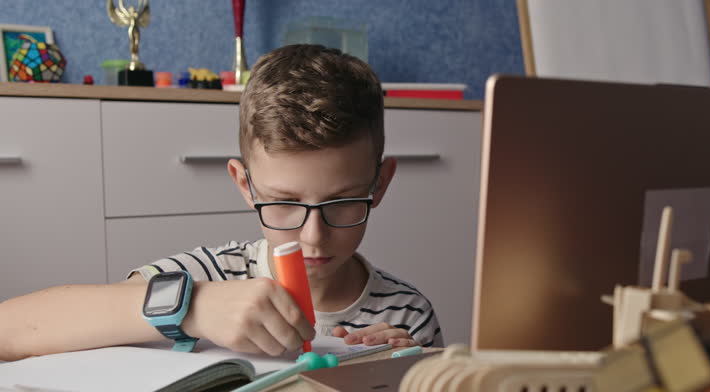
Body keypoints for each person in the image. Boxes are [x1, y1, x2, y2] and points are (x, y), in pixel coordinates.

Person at [0, 44, 442, 362]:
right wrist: (194, 306)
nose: (313, 236)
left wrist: (416, 376)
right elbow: (11, 331)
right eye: (284, 202)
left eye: (342, 203)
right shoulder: (211, 276)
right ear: (245, 185)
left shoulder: (409, 313)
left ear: (380, 184)